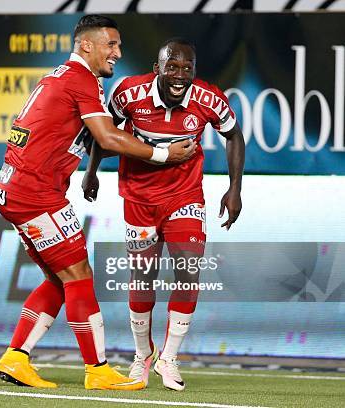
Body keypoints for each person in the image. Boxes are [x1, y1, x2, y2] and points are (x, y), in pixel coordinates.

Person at [0, 15, 197, 391]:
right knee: (80, 276)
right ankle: (97, 369)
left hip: (17, 189)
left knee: (60, 277)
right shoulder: (81, 78)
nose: (117, 53)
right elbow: (108, 137)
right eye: (111, 45)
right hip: (35, 194)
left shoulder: (61, 76)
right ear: (86, 45)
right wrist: (164, 154)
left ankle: (16, 357)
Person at [83, 38, 245, 391]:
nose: (179, 75)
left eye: (187, 69)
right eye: (172, 67)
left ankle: (169, 358)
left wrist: (234, 189)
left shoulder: (208, 98)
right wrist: (91, 172)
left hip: (185, 198)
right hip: (138, 198)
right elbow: (104, 135)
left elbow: (234, 135)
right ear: (157, 68)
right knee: (143, 279)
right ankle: (143, 354)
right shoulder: (128, 93)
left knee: (188, 270)